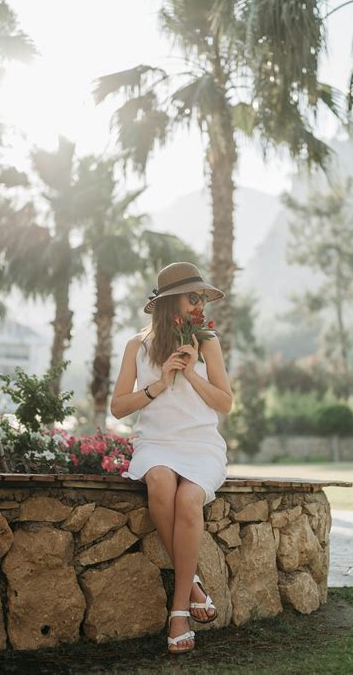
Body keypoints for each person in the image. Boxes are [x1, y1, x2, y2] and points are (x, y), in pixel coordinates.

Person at [111, 261, 233, 655]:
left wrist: (192, 370)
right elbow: (117, 408)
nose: (199, 303)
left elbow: (225, 403)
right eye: (192, 296)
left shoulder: (208, 341)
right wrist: (162, 382)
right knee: (161, 481)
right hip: (156, 443)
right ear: (169, 302)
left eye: (201, 297)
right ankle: (194, 586)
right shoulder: (137, 345)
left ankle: (178, 610)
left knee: (188, 498)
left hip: (200, 445)